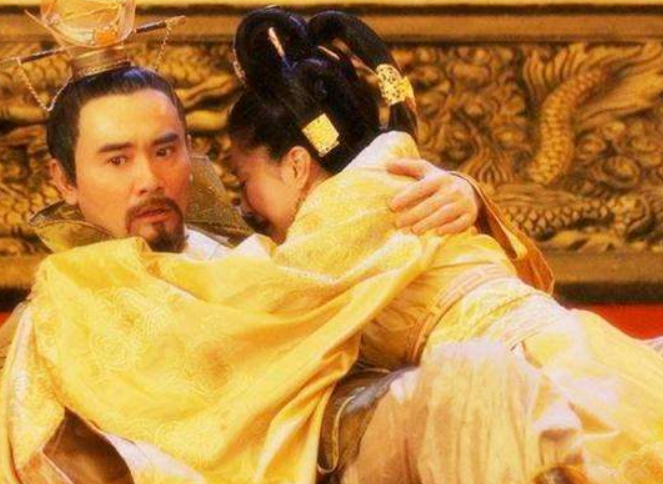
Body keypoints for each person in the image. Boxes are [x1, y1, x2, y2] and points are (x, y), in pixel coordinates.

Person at [0, 32, 505, 484]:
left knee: (476, 387)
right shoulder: (55, 320)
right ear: (64, 180)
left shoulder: (257, 252)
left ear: (190, 151)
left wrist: (459, 196)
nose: (149, 179)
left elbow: (385, 303)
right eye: (117, 159)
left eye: (165, 150)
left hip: (353, 450)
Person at [225, 9, 663, 484]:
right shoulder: (394, 175)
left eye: (245, 181)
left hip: (525, 375)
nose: (243, 204)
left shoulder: (338, 215)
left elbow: (262, 310)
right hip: (574, 348)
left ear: (295, 166)